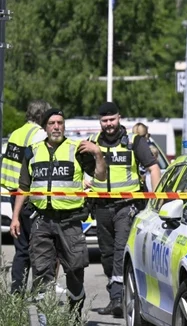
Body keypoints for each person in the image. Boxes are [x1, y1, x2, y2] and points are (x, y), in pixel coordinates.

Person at [9, 108, 107, 318]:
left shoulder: (77, 150)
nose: (56, 127)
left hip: (70, 222)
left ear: (64, 126)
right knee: (42, 273)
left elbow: (100, 176)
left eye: (60, 123)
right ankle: (46, 321)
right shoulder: (32, 151)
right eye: (52, 123)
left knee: (74, 272)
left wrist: (98, 154)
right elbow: (23, 187)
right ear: (45, 127)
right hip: (41, 221)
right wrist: (16, 217)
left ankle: (73, 315)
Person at [87, 102, 161, 317]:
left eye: (112, 119)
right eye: (104, 120)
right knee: (107, 255)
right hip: (101, 206)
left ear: (119, 117)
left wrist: (155, 201)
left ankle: (119, 298)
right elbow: (81, 171)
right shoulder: (92, 143)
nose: (109, 124)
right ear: (100, 122)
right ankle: (115, 295)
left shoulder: (134, 141)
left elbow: (154, 168)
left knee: (121, 250)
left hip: (126, 206)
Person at [1, 100, 50, 294]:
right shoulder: (38, 135)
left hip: (15, 196)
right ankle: (39, 292)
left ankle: (17, 292)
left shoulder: (16, 133)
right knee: (39, 246)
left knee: (21, 249)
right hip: (30, 198)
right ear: (43, 116)